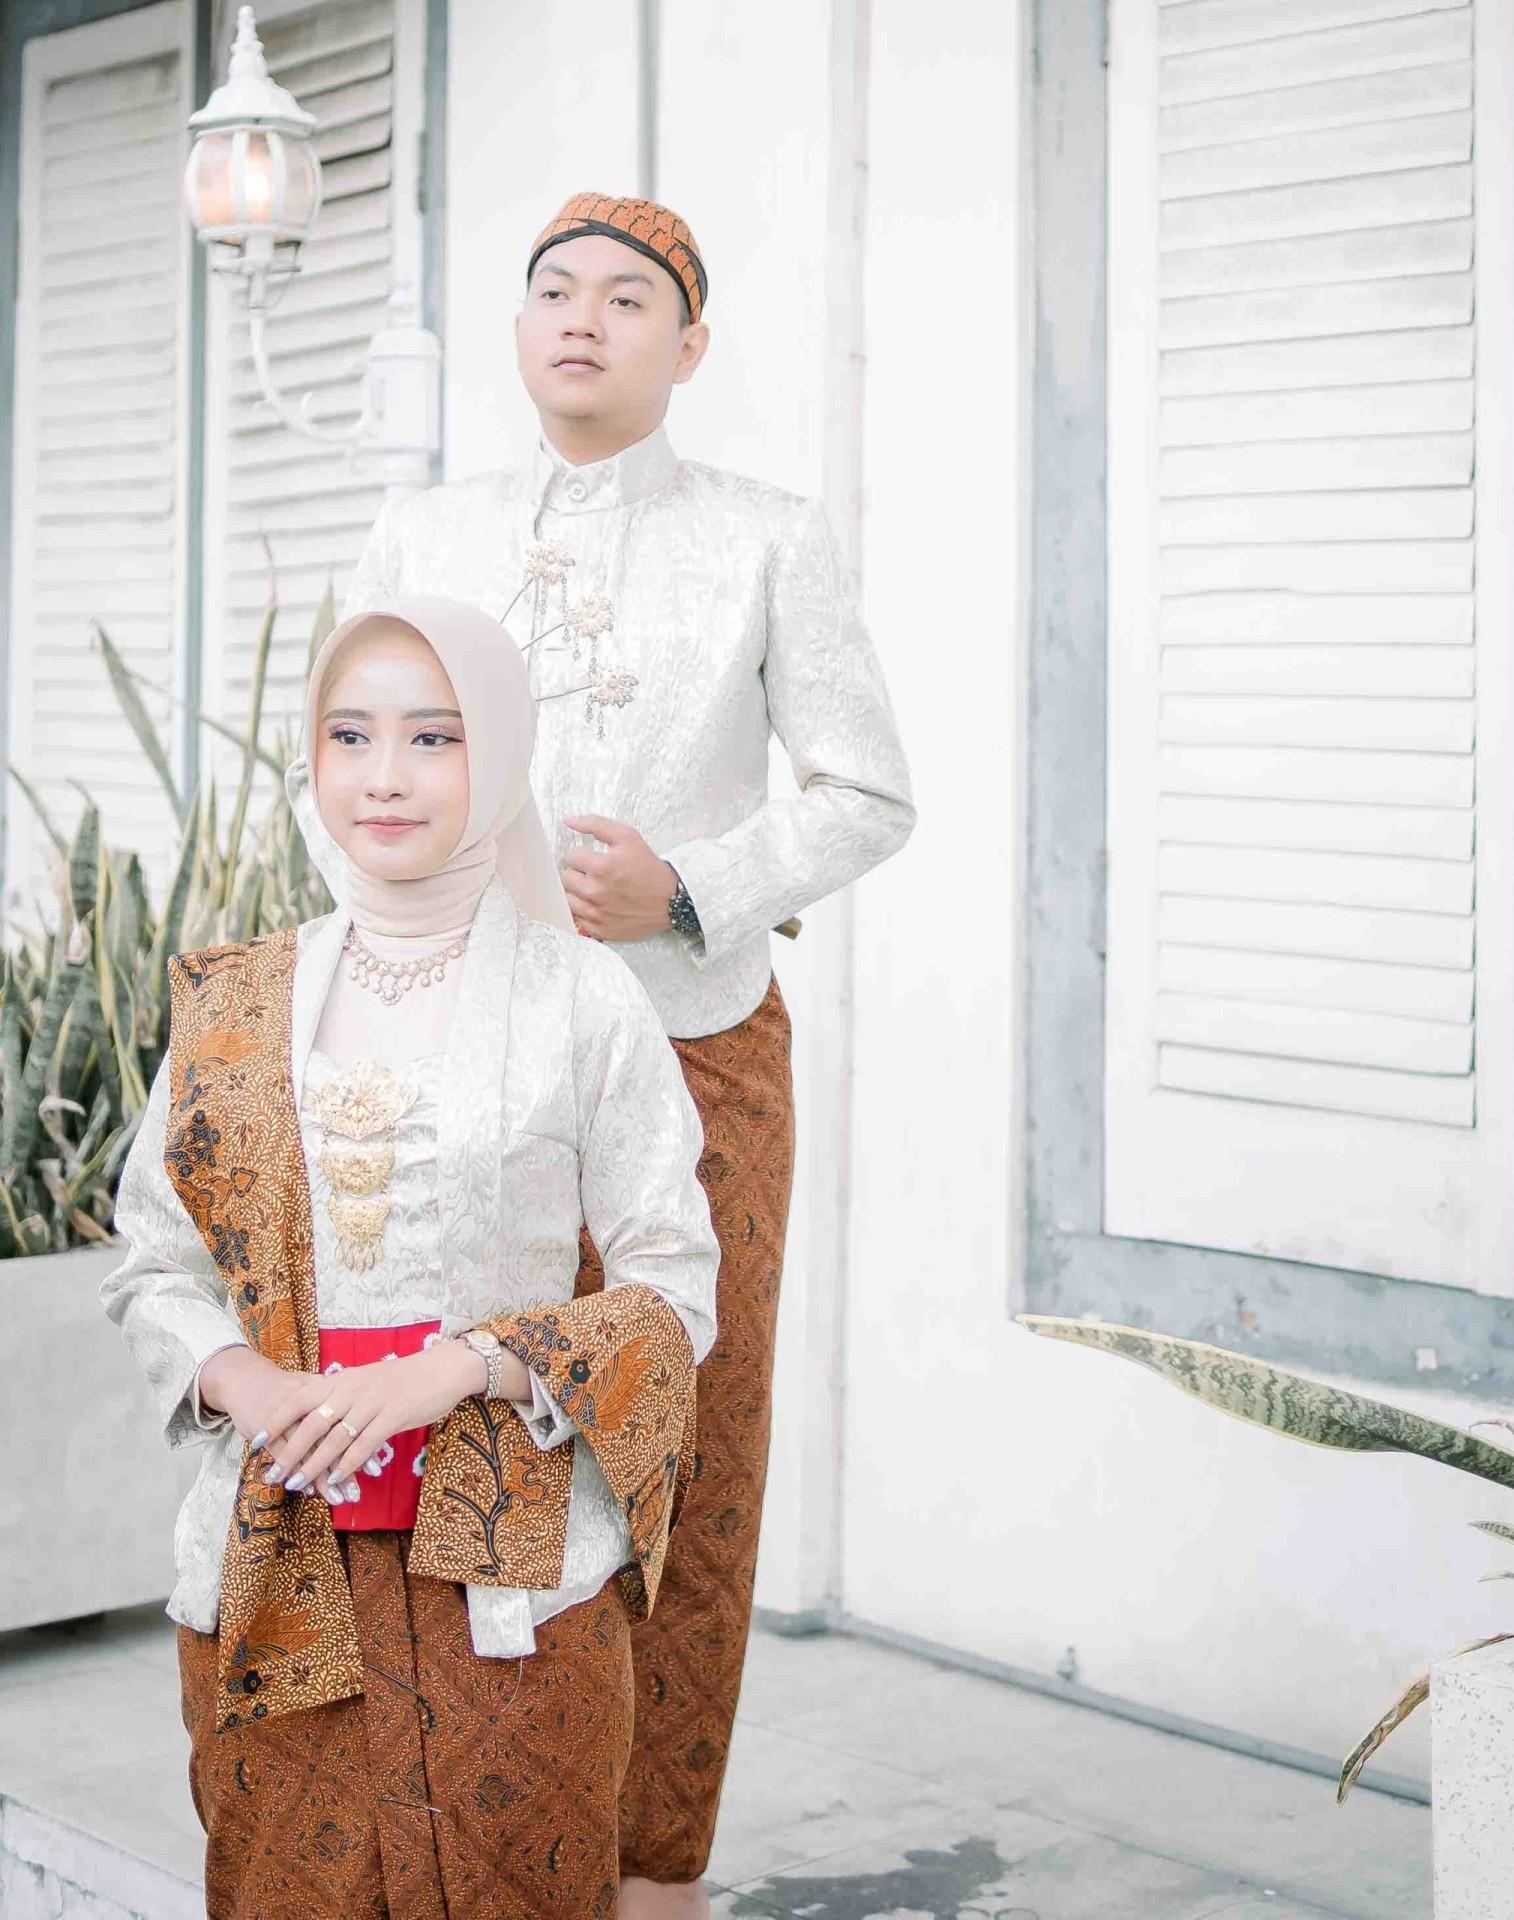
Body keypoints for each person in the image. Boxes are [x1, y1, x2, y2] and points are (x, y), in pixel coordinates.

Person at [342, 194, 915, 1912]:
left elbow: (867, 791)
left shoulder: (765, 537)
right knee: (466, 1425)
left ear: (690, 344)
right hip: (456, 1052)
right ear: (521, 329)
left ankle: (651, 1871)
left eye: (626, 297)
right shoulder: (423, 529)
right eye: (552, 290)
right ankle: (470, 1844)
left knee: (683, 1449)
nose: (581, 317)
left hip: (694, 1048)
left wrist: (690, 890)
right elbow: (336, 771)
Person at [102, 595, 719, 1918]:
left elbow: (673, 1287)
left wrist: (454, 1370)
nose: (385, 776)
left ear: (497, 754)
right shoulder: (232, 1002)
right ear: (312, 756)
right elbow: (153, 1260)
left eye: (434, 736)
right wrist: (252, 1386)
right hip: (278, 1549)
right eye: (351, 735)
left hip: (517, 1578)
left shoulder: (582, 997)